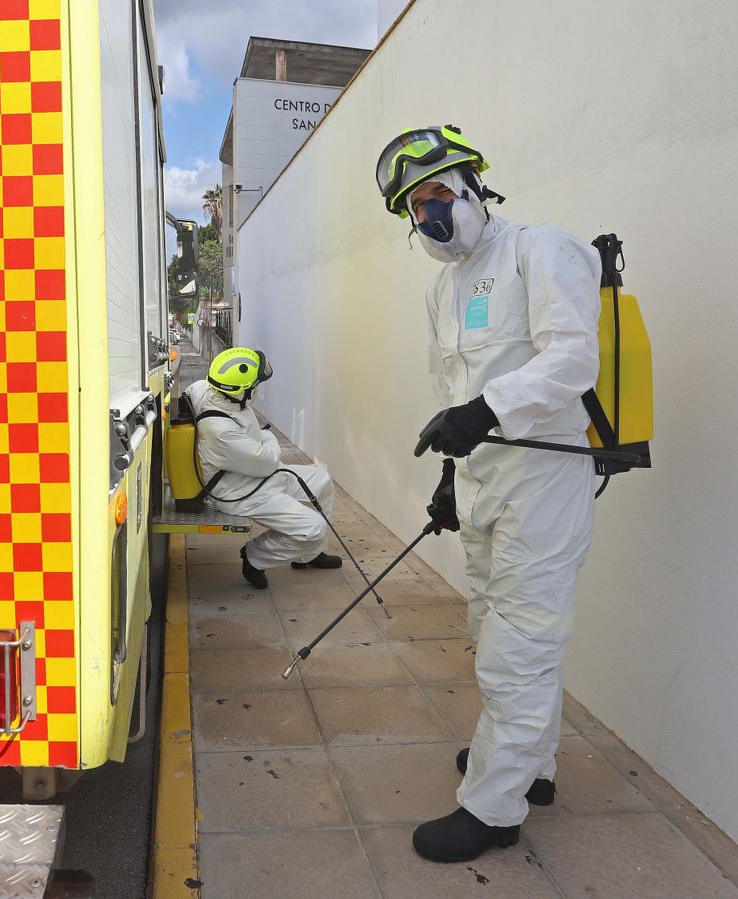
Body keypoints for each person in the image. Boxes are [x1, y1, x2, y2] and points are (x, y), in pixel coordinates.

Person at [374, 126, 601, 862]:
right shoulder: (444, 288)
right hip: (482, 487)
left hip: (543, 483)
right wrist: (450, 473)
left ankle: (495, 807)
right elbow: (455, 391)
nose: (429, 215)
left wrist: (487, 412)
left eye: (438, 193)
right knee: (495, 624)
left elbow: (573, 358)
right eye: (415, 207)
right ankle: (532, 765)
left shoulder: (543, 250)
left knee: (520, 646)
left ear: (474, 185)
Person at [183, 346, 343, 589]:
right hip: (240, 491)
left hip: (254, 474)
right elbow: (267, 461)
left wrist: (263, 442)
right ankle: (255, 557)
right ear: (240, 390)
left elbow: (190, 391)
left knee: (323, 480)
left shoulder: (207, 388)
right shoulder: (220, 430)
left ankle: (309, 555)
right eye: (255, 384)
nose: (257, 388)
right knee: (314, 528)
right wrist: (268, 437)